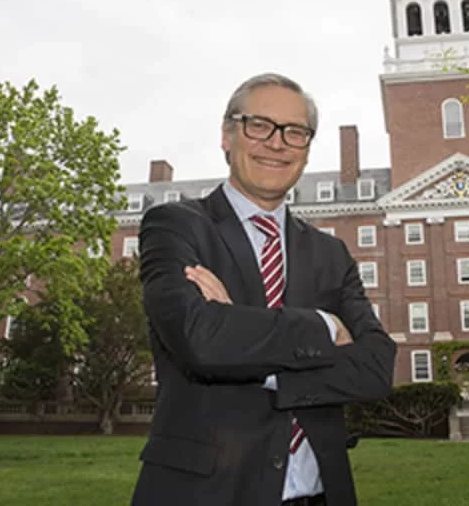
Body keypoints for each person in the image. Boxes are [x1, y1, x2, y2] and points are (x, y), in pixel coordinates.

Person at [132, 73, 397, 506]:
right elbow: (200, 341)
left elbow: (376, 369)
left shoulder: (330, 252)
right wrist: (325, 327)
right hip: (207, 494)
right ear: (227, 135)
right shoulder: (176, 226)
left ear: (306, 149)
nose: (277, 143)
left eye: (295, 132)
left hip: (322, 495)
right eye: (259, 125)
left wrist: (242, 334)